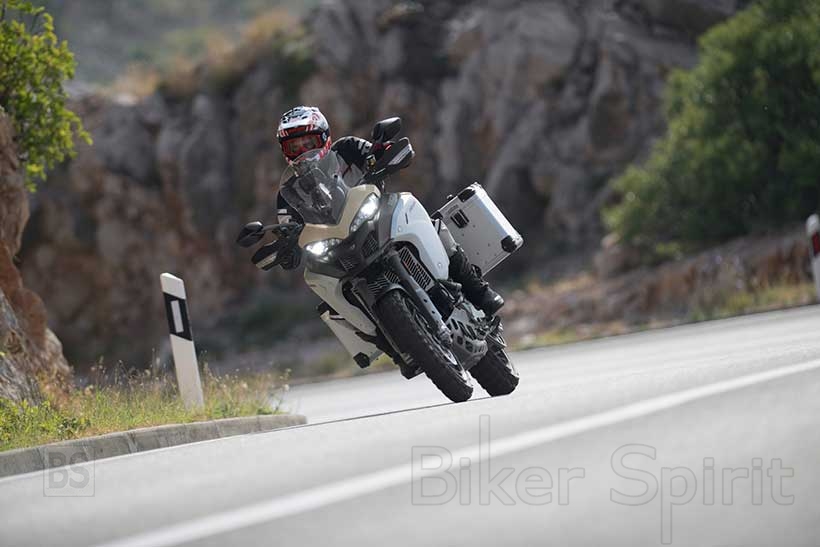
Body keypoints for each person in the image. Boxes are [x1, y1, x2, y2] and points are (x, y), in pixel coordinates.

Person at [273, 105, 504, 316]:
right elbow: (287, 229)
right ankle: (381, 340)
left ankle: (479, 291)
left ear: (324, 137)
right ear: (286, 151)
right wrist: (285, 245)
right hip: (338, 251)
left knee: (428, 223)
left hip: (377, 219)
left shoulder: (347, 148)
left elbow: (375, 153)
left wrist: (384, 152)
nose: (302, 151)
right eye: (294, 147)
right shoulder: (287, 194)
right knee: (331, 299)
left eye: (308, 143)